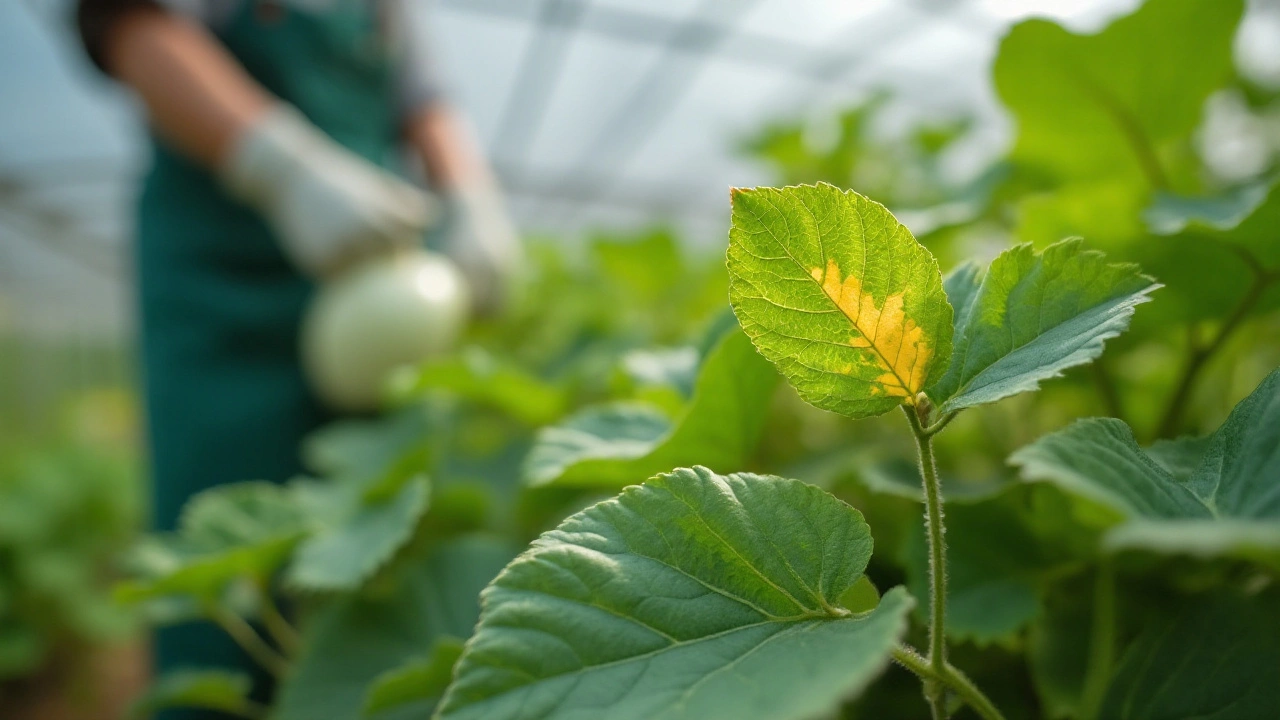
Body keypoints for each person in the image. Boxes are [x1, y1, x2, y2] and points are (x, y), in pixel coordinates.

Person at [75, 0, 519, 714]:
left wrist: (470, 193)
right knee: (218, 519)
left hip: (369, 257)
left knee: (375, 520)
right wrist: (277, 165)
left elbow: (421, 93)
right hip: (225, 277)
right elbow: (127, 20)